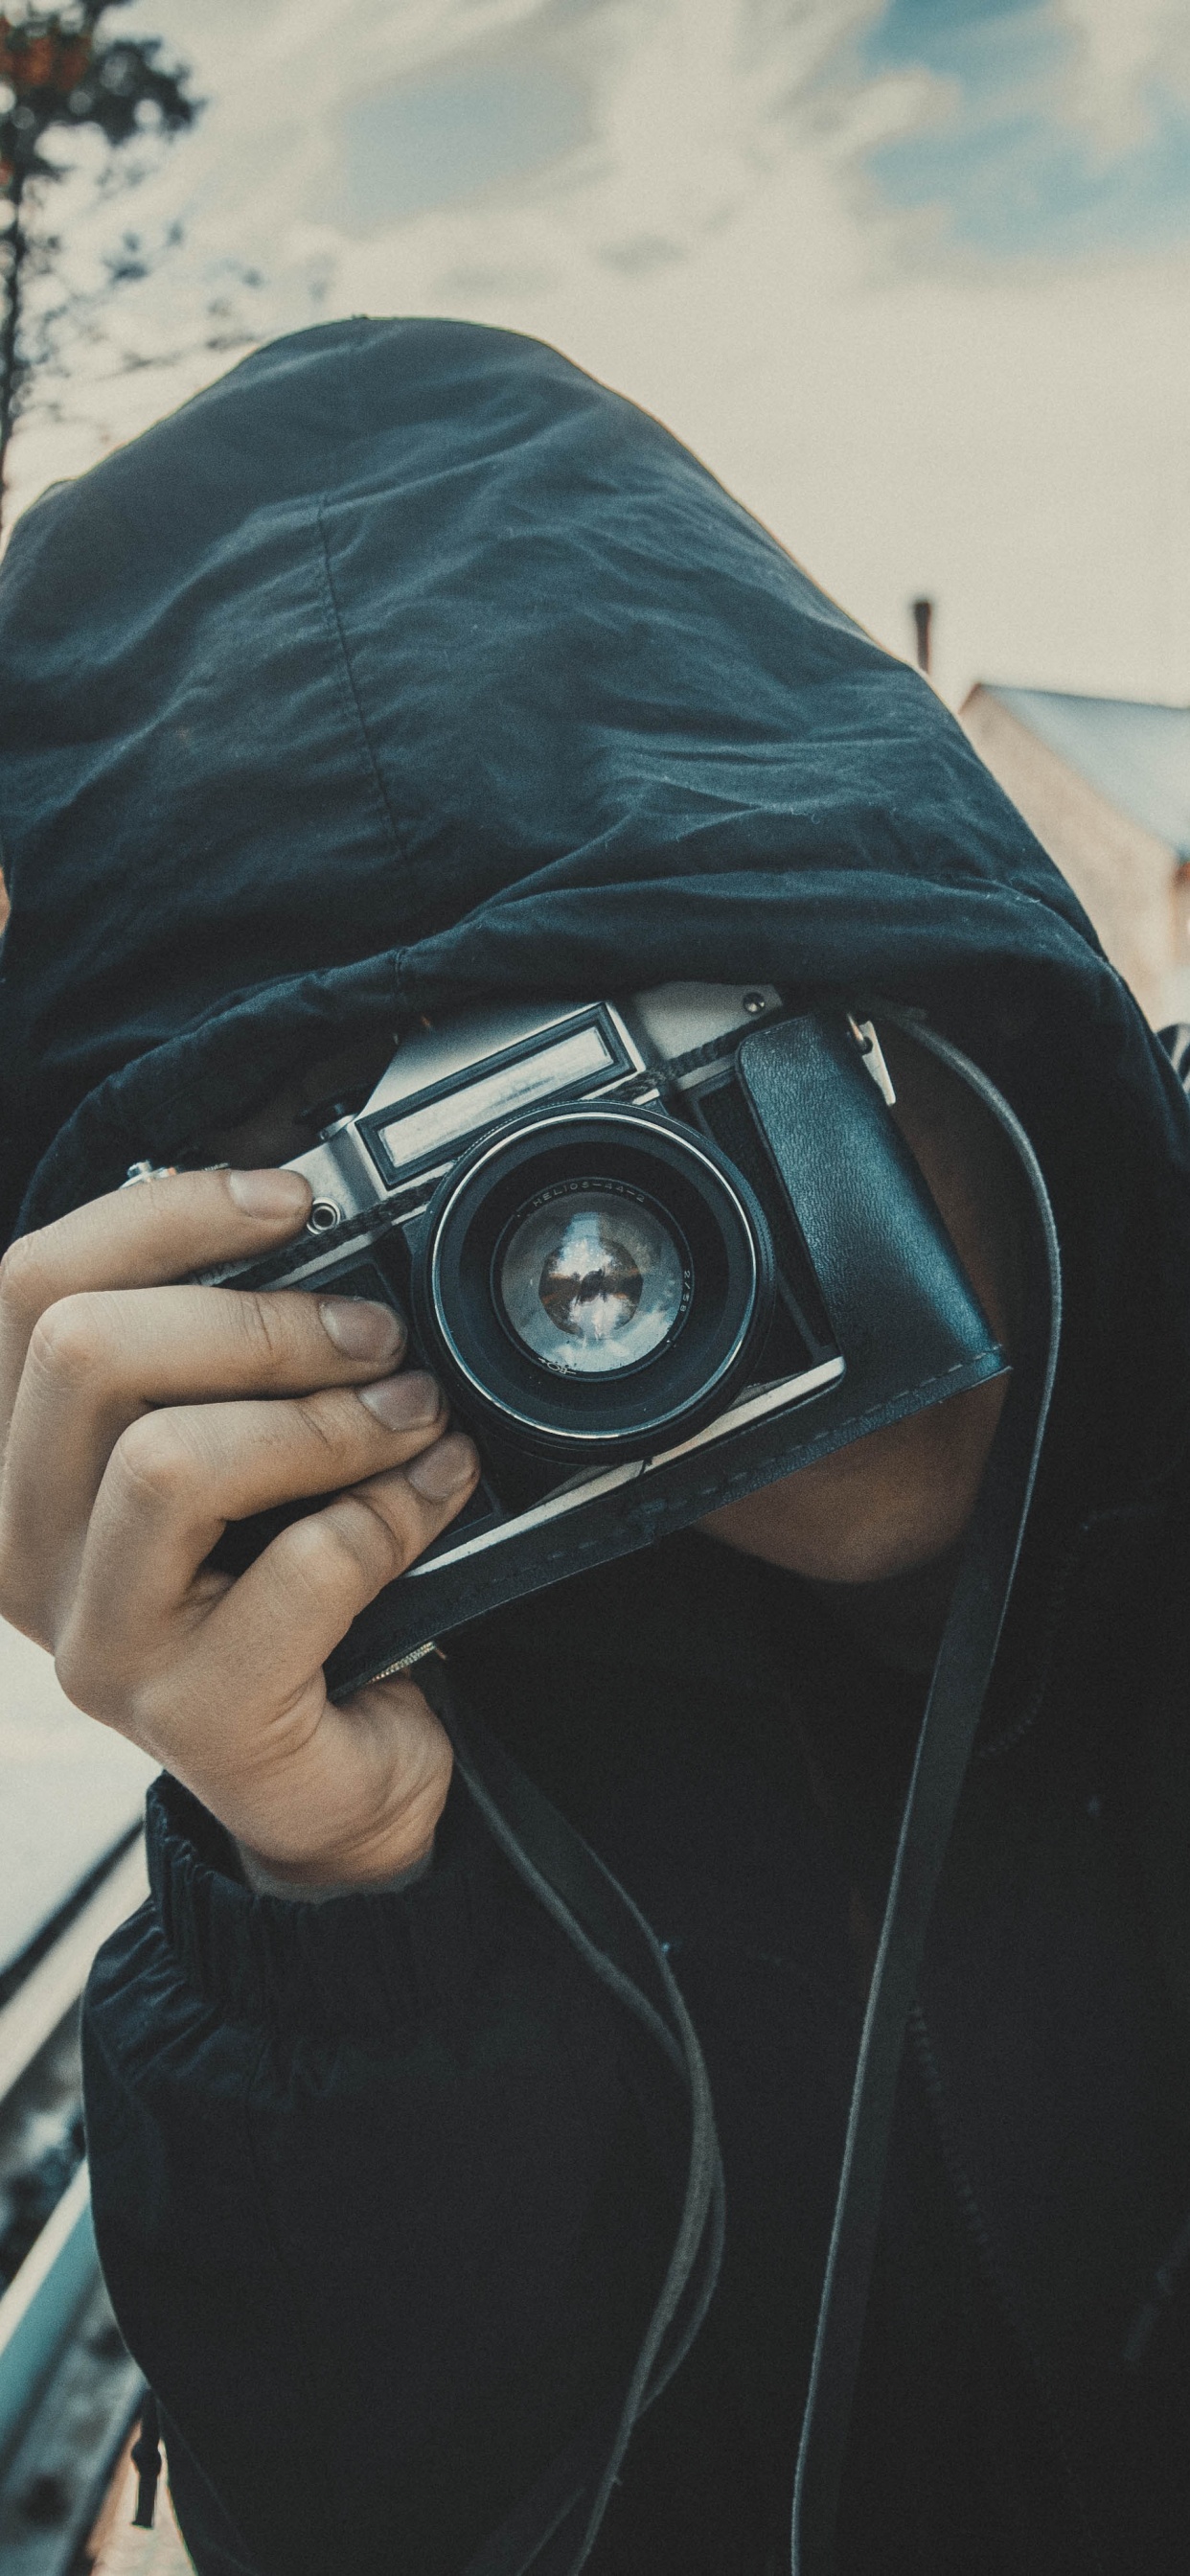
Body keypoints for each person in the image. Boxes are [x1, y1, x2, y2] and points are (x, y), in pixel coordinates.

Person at [0, 318, 1188, 2576]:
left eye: (665, 1054)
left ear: (925, 946)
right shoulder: (443, 1764)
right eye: (429, 1210)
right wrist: (329, 1918)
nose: (609, 1269)